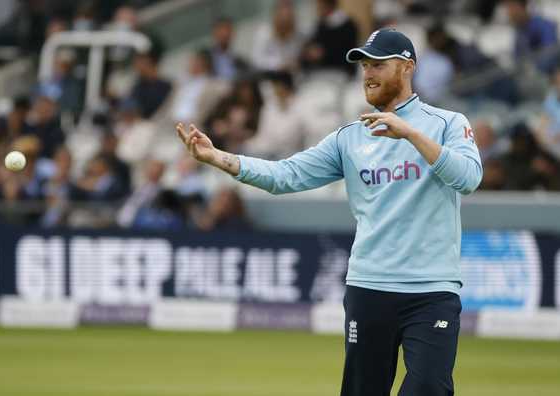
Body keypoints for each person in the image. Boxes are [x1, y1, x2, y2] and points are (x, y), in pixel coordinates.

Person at [175, 28, 483, 396]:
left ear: (407, 67)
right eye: (365, 65)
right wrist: (218, 157)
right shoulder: (349, 137)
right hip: (369, 287)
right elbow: (284, 176)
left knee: (429, 387)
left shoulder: (447, 123)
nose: (368, 73)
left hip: (432, 289)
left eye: (378, 64)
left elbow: (468, 179)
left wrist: (410, 133)